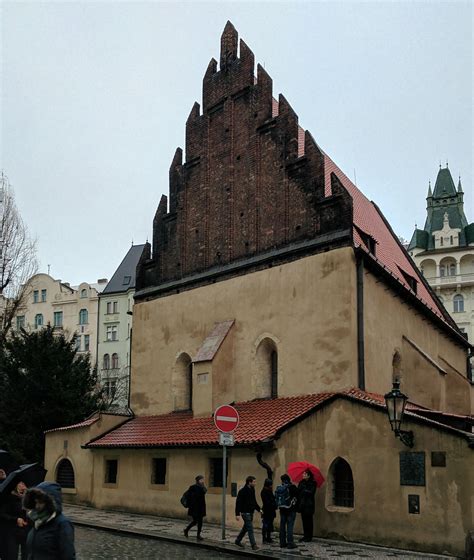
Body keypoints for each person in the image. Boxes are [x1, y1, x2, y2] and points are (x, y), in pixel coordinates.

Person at [23, 481, 76, 560]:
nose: (37, 506)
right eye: (36, 502)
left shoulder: (62, 524)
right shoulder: (37, 521)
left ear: (49, 502)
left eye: (40, 502)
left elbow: (68, 556)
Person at [0, 481, 29, 560]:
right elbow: (2, 514)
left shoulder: (29, 498)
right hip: (11, 530)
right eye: (20, 483)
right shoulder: (8, 497)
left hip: (26, 530)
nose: (23, 485)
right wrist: (16, 519)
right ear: (15, 485)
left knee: (26, 555)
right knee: (11, 555)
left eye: (24, 483)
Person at [234, 475, 261, 551]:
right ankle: (253, 545)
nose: (255, 483)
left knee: (245, 528)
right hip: (245, 513)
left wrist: (259, 509)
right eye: (254, 482)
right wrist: (237, 514)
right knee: (250, 529)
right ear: (249, 482)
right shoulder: (242, 491)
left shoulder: (252, 490)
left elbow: (254, 501)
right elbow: (238, 503)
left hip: (251, 512)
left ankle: (237, 540)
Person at [275, 473, 298, 549]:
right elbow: (297, 496)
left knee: (282, 526)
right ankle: (290, 543)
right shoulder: (292, 487)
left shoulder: (279, 487)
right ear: (289, 479)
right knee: (290, 526)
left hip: (282, 509)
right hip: (291, 509)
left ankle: (282, 543)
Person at [183, 475, 207, 541]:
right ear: (198, 480)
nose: (203, 481)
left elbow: (205, 491)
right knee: (195, 521)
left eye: (203, 480)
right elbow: (189, 495)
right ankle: (186, 530)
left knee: (200, 522)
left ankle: (198, 535)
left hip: (201, 507)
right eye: (201, 480)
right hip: (194, 507)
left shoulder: (202, 487)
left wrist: (203, 486)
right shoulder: (193, 487)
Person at [297, 469, 316, 542]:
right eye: (303, 474)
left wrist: (304, 490)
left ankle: (309, 536)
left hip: (309, 505)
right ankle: (305, 536)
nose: (303, 475)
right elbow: (298, 491)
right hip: (302, 505)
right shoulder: (301, 482)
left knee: (309, 521)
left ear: (309, 476)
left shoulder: (313, 483)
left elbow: (311, 493)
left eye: (305, 474)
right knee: (304, 521)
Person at [260, 478, 277, 544]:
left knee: (269, 525)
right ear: (268, 484)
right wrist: (273, 504)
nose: (271, 485)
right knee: (265, 525)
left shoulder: (269, 490)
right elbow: (267, 502)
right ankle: (264, 538)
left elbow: (272, 499)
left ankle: (268, 538)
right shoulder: (264, 491)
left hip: (271, 511)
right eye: (270, 484)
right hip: (267, 511)